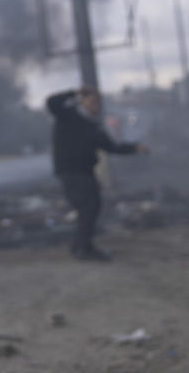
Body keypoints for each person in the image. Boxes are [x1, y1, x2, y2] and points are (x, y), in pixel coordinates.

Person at [46, 87, 148, 261]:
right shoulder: (67, 115)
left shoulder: (93, 126)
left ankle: (81, 246)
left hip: (86, 172)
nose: (95, 106)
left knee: (92, 207)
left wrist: (134, 148)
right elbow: (51, 103)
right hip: (70, 171)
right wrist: (74, 92)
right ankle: (83, 249)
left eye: (98, 103)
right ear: (82, 101)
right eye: (92, 101)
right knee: (89, 207)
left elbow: (112, 147)